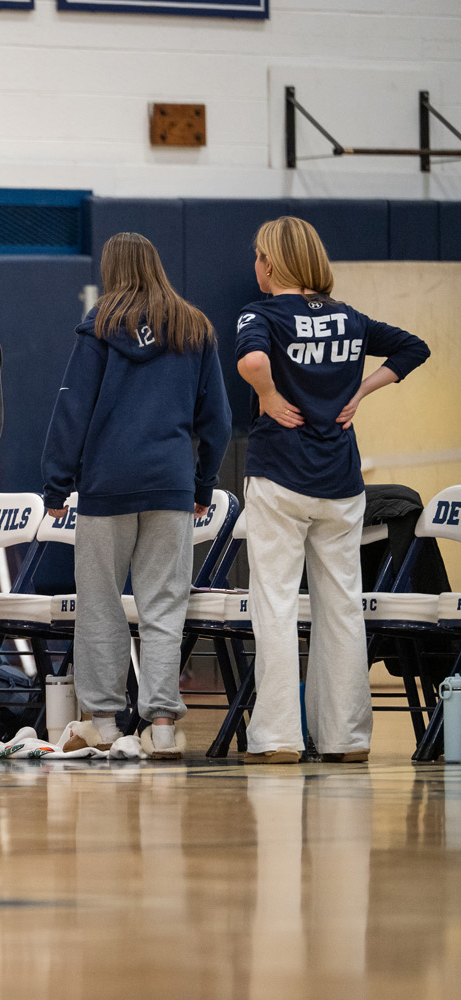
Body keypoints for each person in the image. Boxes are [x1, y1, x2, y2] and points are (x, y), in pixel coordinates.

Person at [235, 216, 429, 764]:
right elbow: (413, 348)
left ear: (270, 264)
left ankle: (278, 737)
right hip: (341, 483)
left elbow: (252, 360)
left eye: (258, 256)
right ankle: (346, 738)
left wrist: (268, 396)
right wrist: (361, 391)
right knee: (341, 607)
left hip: (280, 476)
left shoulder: (261, 314)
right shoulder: (350, 318)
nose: (255, 265)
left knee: (275, 604)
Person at [40, 232, 231, 759]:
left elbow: (72, 408)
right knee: (164, 605)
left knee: (100, 603)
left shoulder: (99, 325)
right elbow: (217, 419)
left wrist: (57, 483)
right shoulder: (194, 328)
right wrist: (204, 482)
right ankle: (163, 727)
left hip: (107, 485)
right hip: (171, 483)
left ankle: (103, 722)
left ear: (112, 269)